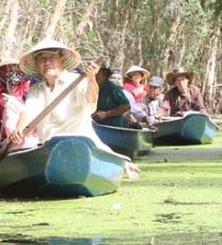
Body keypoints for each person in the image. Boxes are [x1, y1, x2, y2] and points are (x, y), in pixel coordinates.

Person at [10, 40, 140, 179]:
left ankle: (121, 163)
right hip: (49, 147)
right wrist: (19, 128)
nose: (46, 62)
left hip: (82, 144)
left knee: (100, 151)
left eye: (51, 57)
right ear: (36, 63)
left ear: (61, 58)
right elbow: (29, 110)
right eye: (41, 59)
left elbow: (90, 103)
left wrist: (91, 80)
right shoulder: (35, 90)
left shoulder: (77, 80)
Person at [0, 58, 31, 148]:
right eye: (9, 70)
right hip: (8, 140)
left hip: (29, 135)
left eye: (16, 69)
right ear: (2, 74)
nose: (13, 73)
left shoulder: (30, 91)